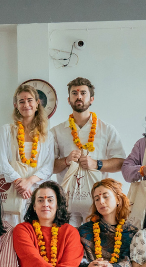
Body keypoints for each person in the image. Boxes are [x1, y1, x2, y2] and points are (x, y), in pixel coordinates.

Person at [51, 77, 127, 227]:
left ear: (91, 99)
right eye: (74, 93)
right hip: (67, 203)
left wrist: (96, 163)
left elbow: (120, 163)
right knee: (68, 245)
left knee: (93, 246)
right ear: (68, 99)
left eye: (83, 93)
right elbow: (49, 166)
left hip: (97, 204)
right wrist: (66, 160)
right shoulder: (56, 131)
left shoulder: (106, 129)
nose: (78, 96)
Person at [0, 84, 55, 225]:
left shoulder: (47, 135)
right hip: (12, 190)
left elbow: (48, 166)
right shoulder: (6, 131)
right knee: (10, 231)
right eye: (21, 101)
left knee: (34, 231)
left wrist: (29, 182)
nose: (26, 104)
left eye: (29, 100)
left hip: (35, 192)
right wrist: (19, 182)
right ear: (16, 105)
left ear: (37, 103)